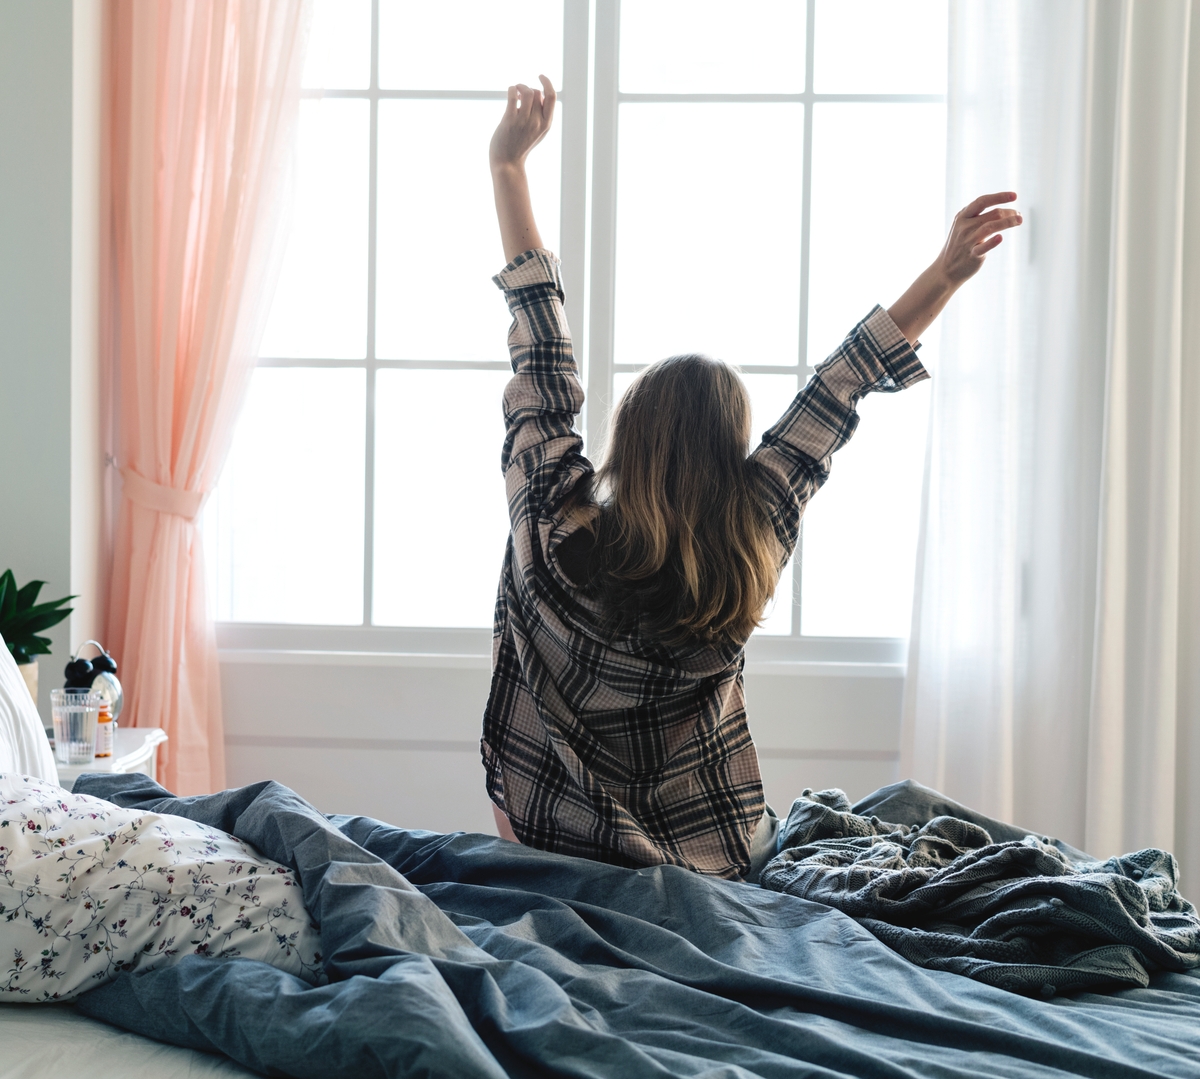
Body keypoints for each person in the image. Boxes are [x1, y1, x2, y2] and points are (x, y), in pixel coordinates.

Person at [483, 76, 1022, 881]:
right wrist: (944, 272)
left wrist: (508, 168)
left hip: (556, 843)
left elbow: (543, 348)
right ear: (729, 456)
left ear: (630, 440)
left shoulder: (552, 520)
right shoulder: (753, 527)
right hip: (718, 858)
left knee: (531, 744)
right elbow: (840, 386)